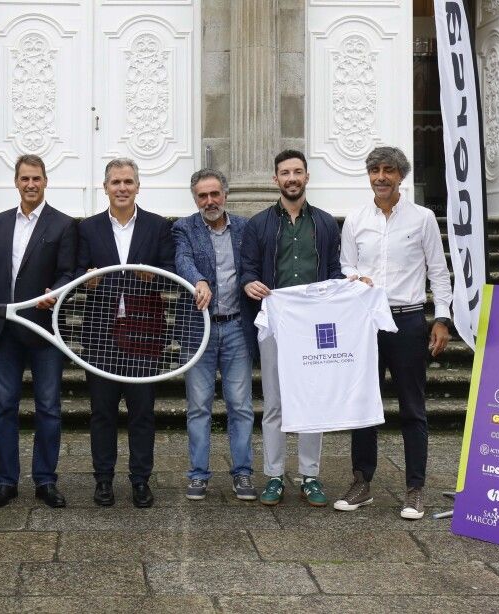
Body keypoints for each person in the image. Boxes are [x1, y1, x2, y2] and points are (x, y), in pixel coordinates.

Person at [337, 146, 453, 520]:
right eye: (375, 170)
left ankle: (415, 489)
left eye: (388, 170)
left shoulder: (422, 219)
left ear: (401, 175)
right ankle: (361, 483)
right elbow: (345, 266)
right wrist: (356, 278)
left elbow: (438, 271)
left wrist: (442, 319)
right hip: (367, 321)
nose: (381, 176)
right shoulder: (355, 220)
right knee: (364, 404)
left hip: (407, 320)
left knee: (413, 408)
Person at [239, 149, 344, 508]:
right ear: (276, 179)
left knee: (313, 401)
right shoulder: (259, 224)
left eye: (297, 171)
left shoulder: (327, 223)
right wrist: (249, 283)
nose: (292, 178)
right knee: (275, 402)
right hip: (274, 322)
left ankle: (310, 476)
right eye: (285, 172)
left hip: (314, 326)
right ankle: (273, 475)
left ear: (307, 177)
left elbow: (334, 271)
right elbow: (247, 268)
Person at [77, 158, 175, 508]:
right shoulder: (87, 228)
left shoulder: (157, 226)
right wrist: (88, 280)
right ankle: (103, 480)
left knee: (142, 412)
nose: (122, 188)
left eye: (128, 182)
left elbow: (170, 269)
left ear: (137, 186)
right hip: (101, 334)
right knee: (102, 412)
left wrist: (157, 276)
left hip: (144, 333)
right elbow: (76, 273)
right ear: (105, 187)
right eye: (115, 182)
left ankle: (140, 480)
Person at [0, 154, 77, 509]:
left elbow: (69, 272)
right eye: (25, 178)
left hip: (44, 331)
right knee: (4, 407)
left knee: (49, 408)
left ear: (45, 181)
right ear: (16, 182)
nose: (31, 184)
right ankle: (6, 481)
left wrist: (55, 292)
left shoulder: (64, 225)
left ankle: (45, 480)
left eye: (36, 178)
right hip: (4, 332)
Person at [172, 168, 256, 501]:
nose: (210, 201)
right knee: (198, 407)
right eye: (203, 196)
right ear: (195, 198)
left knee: (241, 406)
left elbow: (251, 265)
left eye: (215, 194)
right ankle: (197, 474)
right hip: (198, 329)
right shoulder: (183, 227)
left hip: (236, 327)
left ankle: (243, 473)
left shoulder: (245, 228)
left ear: (225, 194)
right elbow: (182, 258)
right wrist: (199, 281)